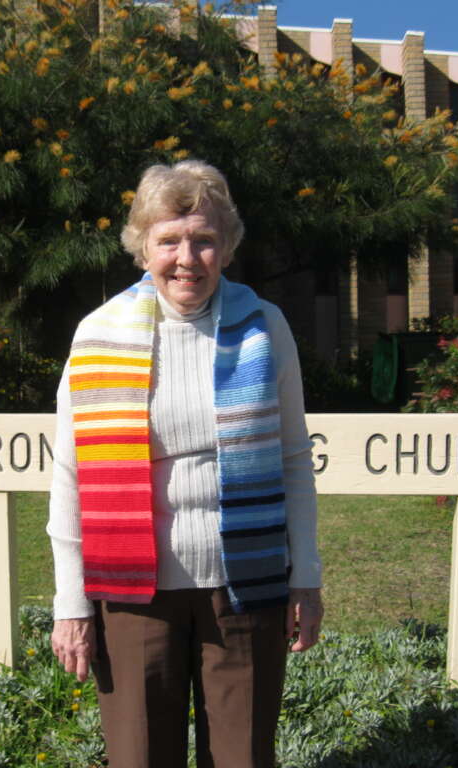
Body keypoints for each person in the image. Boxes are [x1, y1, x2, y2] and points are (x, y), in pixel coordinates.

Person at [47, 159, 323, 768]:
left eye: (203, 240)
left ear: (226, 247)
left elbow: (295, 460)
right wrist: (71, 601)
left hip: (245, 583)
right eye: (168, 240)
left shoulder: (264, 327)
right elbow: (70, 474)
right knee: (141, 756)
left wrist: (305, 573)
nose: (187, 258)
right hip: (133, 591)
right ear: (142, 247)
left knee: (242, 756)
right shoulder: (98, 334)